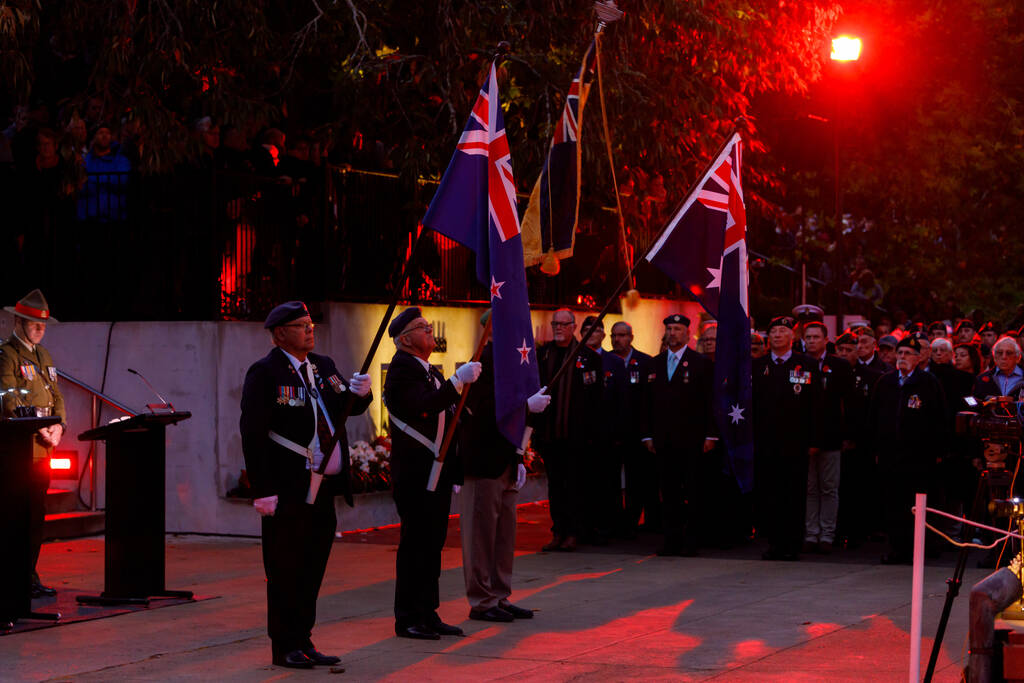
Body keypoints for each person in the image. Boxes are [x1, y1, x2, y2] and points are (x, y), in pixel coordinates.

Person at [239, 301, 372, 668]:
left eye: (310, 324)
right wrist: (262, 489)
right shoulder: (265, 373)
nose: (310, 330)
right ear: (280, 333)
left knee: (312, 567)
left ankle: (304, 638)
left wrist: (360, 393)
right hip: (287, 487)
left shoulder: (323, 366)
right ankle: (284, 645)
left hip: (323, 487)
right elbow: (252, 434)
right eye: (301, 325)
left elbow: (347, 407)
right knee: (285, 569)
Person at [383, 307, 481, 640]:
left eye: (428, 326)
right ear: (406, 339)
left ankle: (428, 612)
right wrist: (456, 381)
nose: (429, 331)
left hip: (437, 474)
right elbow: (423, 405)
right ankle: (408, 617)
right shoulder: (401, 372)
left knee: (432, 545)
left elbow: (451, 415)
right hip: (415, 474)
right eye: (423, 327)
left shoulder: (429, 371)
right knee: (415, 546)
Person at [458, 311, 550, 623]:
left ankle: (499, 594)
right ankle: (482, 599)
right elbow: (483, 413)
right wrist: (525, 407)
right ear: (490, 329)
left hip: (507, 458)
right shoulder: (482, 361)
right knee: (481, 535)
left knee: (503, 535)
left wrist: (520, 452)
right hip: (484, 460)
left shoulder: (514, 361)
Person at [0, 290, 65, 599]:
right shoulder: (7, 355)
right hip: (19, 451)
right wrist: (39, 427)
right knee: (16, 516)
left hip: (43, 450)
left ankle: (30, 574)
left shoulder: (44, 356)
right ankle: (15, 576)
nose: (40, 330)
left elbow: (57, 396)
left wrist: (59, 426)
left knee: (35, 516)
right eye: (34, 325)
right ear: (19, 322)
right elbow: (8, 398)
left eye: (43, 326)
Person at [866, 336, 947, 564]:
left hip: (919, 457)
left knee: (920, 505)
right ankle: (897, 548)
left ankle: (922, 547)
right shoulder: (885, 382)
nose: (902, 357)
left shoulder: (928, 383)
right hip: (891, 455)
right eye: (899, 353)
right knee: (894, 503)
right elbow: (874, 418)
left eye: (907, 353)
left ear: (918, 357)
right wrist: (875, 447)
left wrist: (938, 450)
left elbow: (939, 419)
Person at [642, 314, 715, 556]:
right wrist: (647, 435)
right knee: (669, 491)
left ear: (687, 333)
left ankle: (692, 540)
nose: (672, 333)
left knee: (693, 491)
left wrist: (711, 435)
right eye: (669, 329)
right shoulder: (654, 363)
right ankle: (671, 540)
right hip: (663, 440)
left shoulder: (701, 364)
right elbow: (647, 404)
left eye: (677, 329)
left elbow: (710, 402)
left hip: (692, 439)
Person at [752, 316, 822, 561]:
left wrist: (814, 440)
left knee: (794, 494)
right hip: (767, 442)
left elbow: (816, 406)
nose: (777, 335)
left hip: (796, 443)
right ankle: (774, 543)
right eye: (773, 332)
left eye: (782, 331)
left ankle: (792, 544)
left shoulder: (806, 364)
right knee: (770, 493)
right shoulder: (758, 366)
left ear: (792, 337)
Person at [534, 309, 602, 551]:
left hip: (577, 436)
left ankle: (575, 531)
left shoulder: (588, 357)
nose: (558, 328)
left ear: (573, 326)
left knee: (575, 486)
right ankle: (558, 530)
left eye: (563, 324)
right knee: (555, 486)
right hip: (551, 435)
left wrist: (593, 435)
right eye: (555, 324)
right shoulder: (542, 355)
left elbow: (595, 401)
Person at [801, 322, 852, 554]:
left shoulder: (839, 366)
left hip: (831, 436)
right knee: (810, 488)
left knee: (829, 487)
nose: (811, 341)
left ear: (825, 340)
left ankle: (827, 534)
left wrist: (847, 435)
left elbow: (848, 404)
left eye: (815, 337)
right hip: (805, 437)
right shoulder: (798, 363)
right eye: (807, 337)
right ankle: (811, 533)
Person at [605, 321, 658, 538]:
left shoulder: (645, 362)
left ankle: (636, 520)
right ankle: (616, 522)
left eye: (622, 335)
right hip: (612, 434)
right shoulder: (605, 361)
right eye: (614, 335)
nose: (617, 340)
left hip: (637, 433)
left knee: (638, 480)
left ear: (631, 337)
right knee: (612, 481)